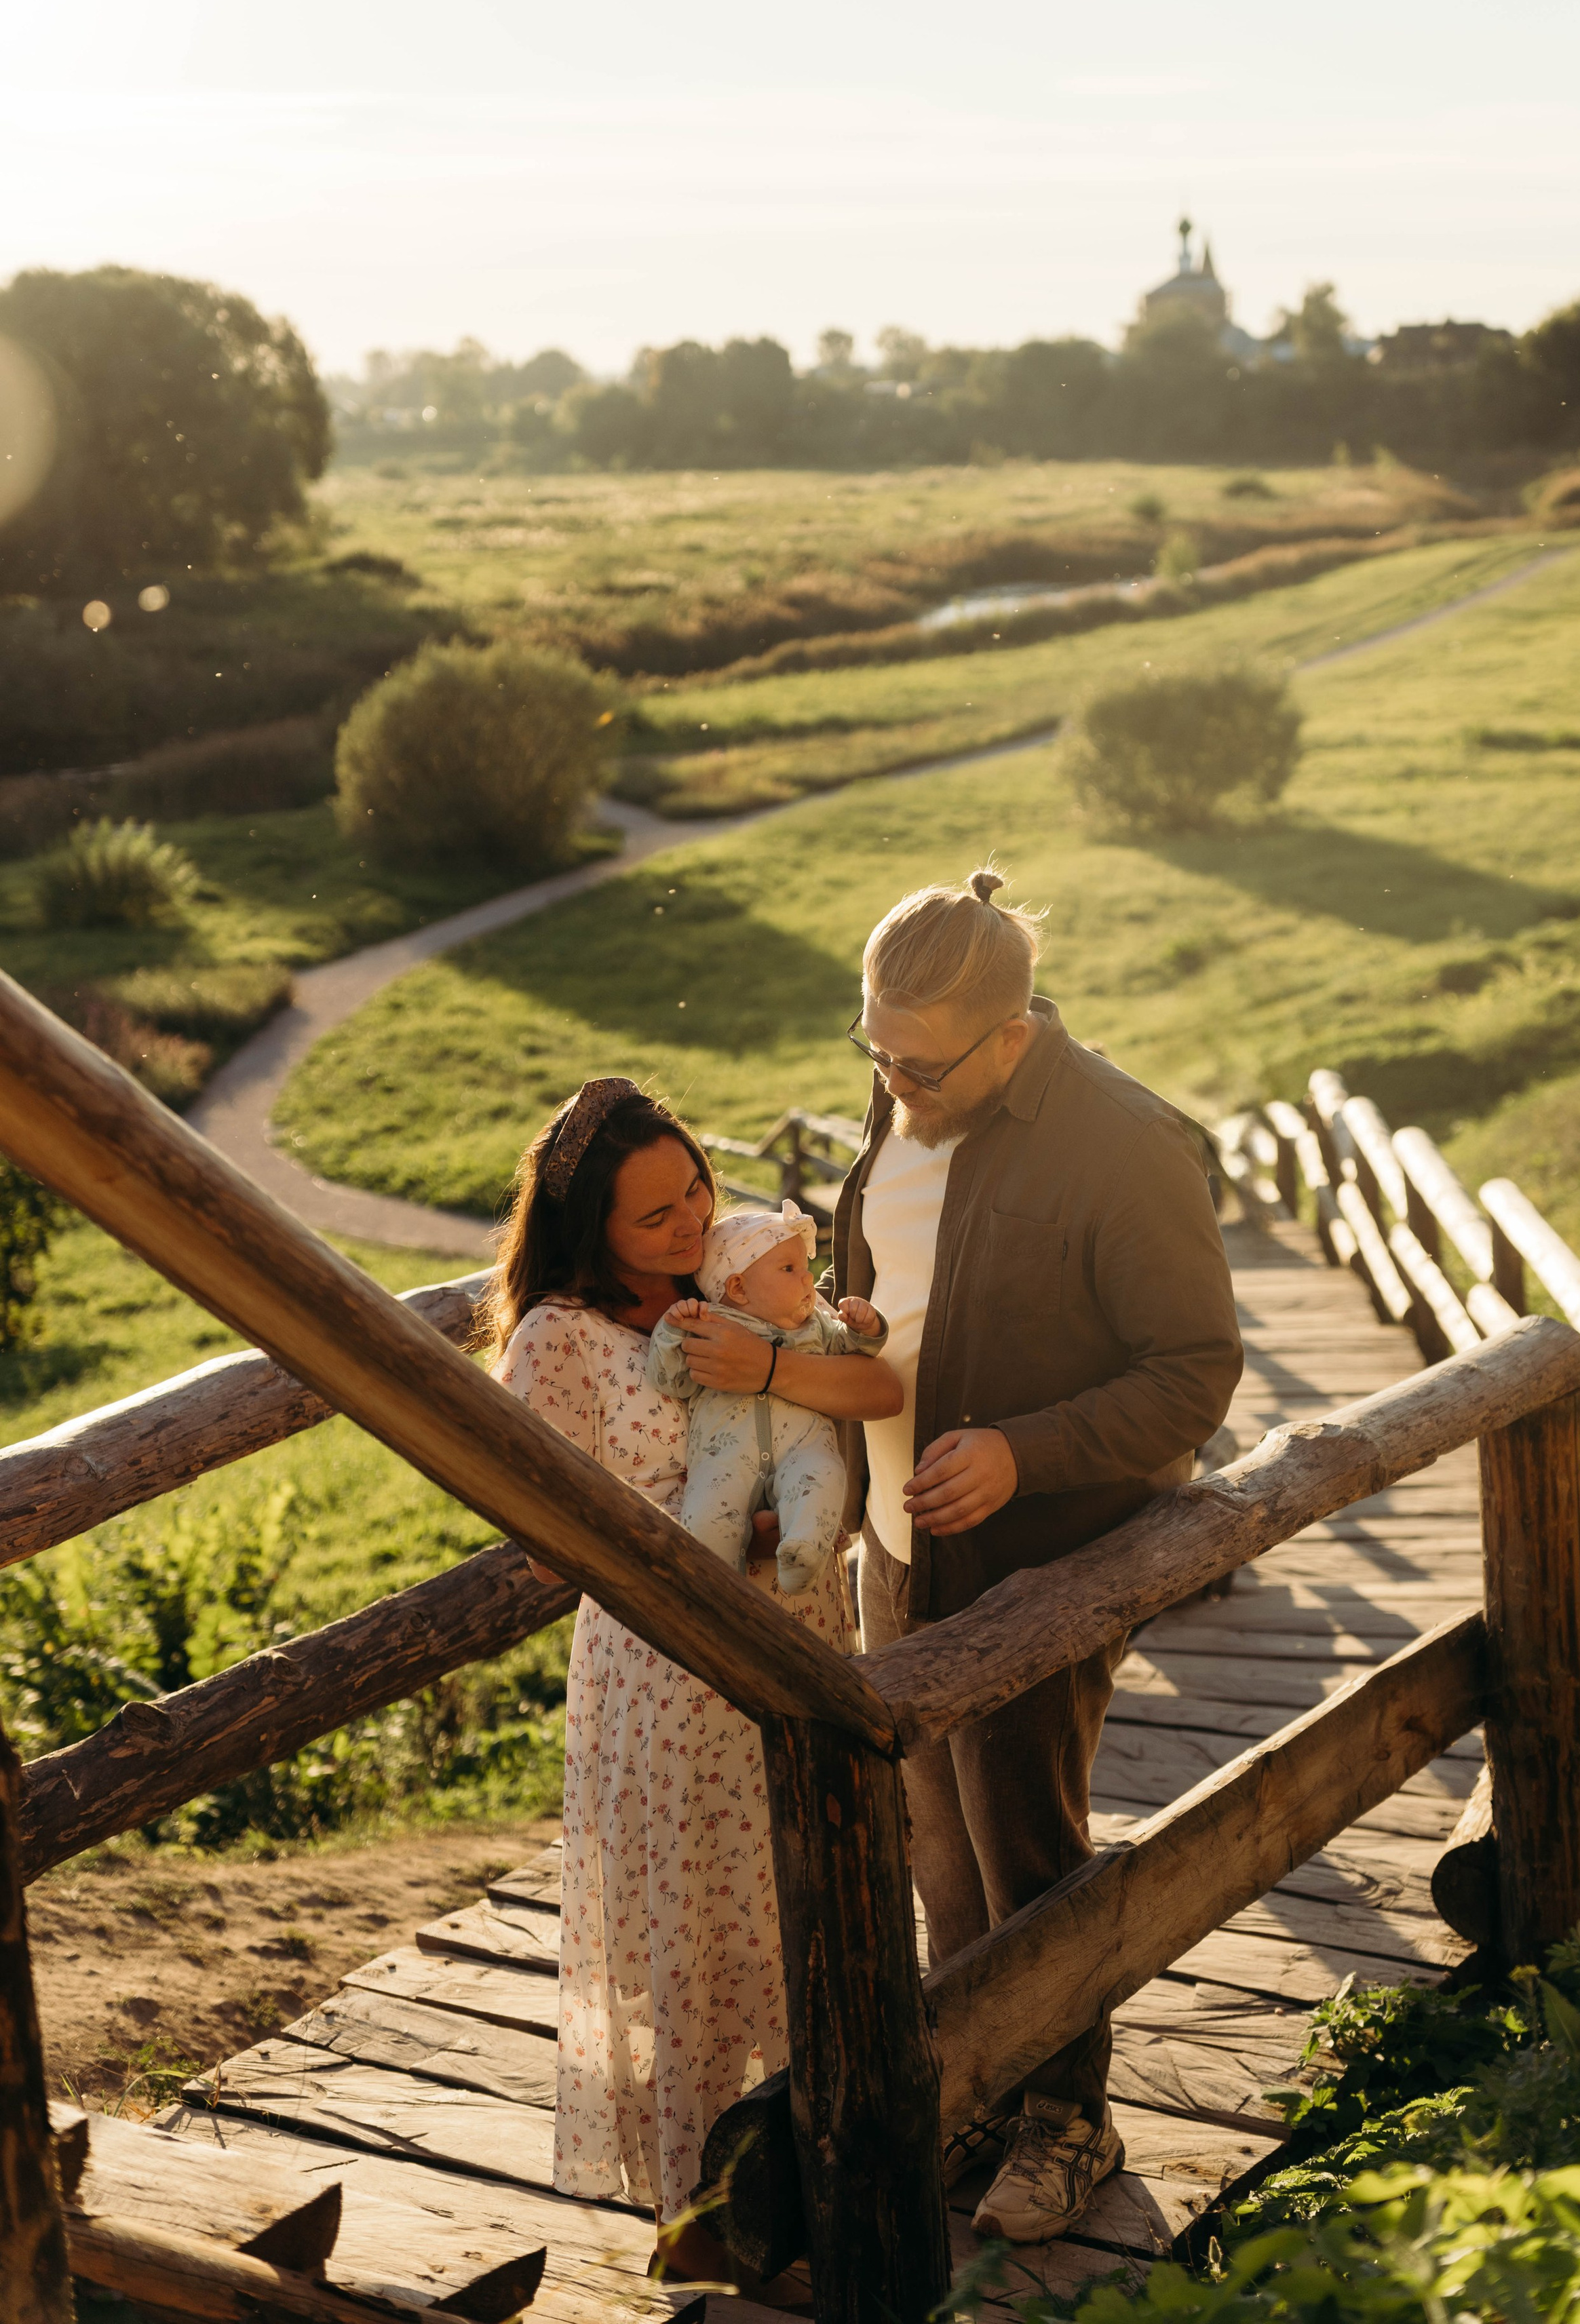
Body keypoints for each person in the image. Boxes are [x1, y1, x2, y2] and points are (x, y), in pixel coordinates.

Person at [830, 868, 1243, 2245]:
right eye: (872, 1053)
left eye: (920, 1062)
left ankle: (1068, 2119)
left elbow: (1192, 1373)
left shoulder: (1123, 1146)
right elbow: (905, 1297)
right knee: (937, 1860)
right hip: (891, 1555)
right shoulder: (909, 1092)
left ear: (1010, 1034)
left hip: (1031, 1572)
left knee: (1026, 1855)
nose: (892, 1087)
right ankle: (978, 2088)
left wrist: (1025, 1447)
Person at [486, 1077, 902, 2249]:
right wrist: (705, 1536)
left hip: (807, 1629)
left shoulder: (738, 1282)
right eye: (652, 1216)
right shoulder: (562, 1339)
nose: (686, 1224)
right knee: (704, 1938)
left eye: (694, 1191)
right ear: (590, 1234)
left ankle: (841, 2160)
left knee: (817, 1899)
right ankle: (716, 2212)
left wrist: (774, 1386)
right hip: (673, 1675)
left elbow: (861, 1389)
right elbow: (540, 1528)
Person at [650, 1197, 889, 1591]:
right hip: (724, 1454)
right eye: (790, 1269)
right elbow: (671, 1381)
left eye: (807, 1269)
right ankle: (711, 1584)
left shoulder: (817, 1326)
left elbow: (853, 1355)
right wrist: (673, 1334)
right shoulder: (708, 1325)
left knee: (824, 1475)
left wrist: (866, 1329)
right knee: (709, 1508)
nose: (808, 1280)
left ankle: (804, 1548)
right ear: (738, 1287)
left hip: (804, 1446)